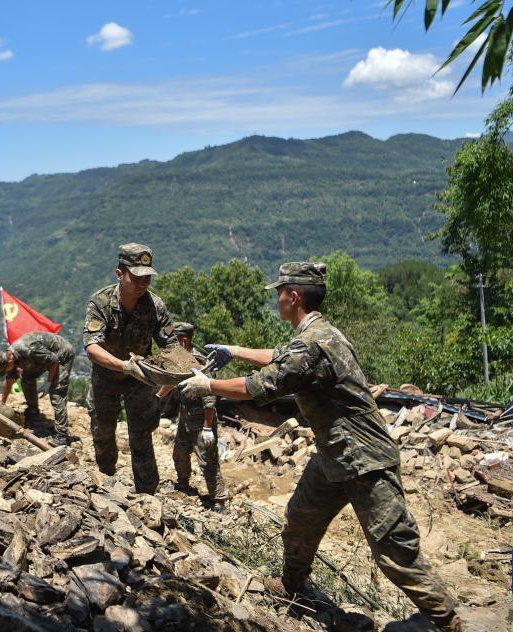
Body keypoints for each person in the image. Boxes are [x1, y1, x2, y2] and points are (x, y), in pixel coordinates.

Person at [178, 262, 459, 631]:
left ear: (293, 297)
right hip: (335, 455)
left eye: (279, 292)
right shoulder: (313, 334)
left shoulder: (313, 343)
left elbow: (259, 387)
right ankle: (293, 586)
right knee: (300, 519)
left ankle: (447, 620)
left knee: (393, 550)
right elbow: (281, 357)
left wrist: (208, 385)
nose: (276, 299)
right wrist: (236, 349)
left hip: (365, 459)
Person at [83, 243, 176, 494]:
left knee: (141, 433)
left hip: (139, 379)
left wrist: (181, 369)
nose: (142, 283)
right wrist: (124, 366)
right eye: (136, 277)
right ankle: (106, 481)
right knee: (102, 430)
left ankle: (148, 494)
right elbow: (92, 347)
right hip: (106, 375)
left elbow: (173, 347)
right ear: (119, 274)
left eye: (147, 277)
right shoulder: (100, 302)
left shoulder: (155, 306)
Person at [157, 322, 227, 511]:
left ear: (185, 340)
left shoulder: (201, 364)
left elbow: (210, 399)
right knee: (179, 453)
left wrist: (207, 427)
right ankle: (183, 483)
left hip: (202, 419)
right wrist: (158, 397)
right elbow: (171, 381)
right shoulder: (181, 361)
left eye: (175, 341)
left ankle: (219, 500)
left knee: (207, 461)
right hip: (185, 418)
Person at [0, 331, 75, 447]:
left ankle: (62, 436)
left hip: (62, 354)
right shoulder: (11, 357)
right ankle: (33, 411)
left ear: (9, 361)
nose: (6, 372)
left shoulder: (28, 350)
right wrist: (1, 405)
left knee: (56, 392)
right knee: (26, 378)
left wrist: (49, 383)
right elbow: (9, 381)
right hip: (43, 357)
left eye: (5, 370)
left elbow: (54, 360)